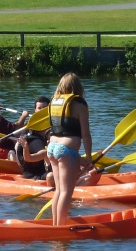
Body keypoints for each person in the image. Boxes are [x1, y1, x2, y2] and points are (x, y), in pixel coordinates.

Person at [44, 72, 94, 226]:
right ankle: (60, 227)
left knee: (59, 190)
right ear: (78, 87)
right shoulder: (79, 105)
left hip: (52, 148)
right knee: (66, 192)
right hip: (66, 150)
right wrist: (89, 159)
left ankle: (56, 225)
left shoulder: (53, 102)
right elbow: (86, 134)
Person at [10, 96, 50, 178]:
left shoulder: (53, 127)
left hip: (48, 162)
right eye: (39, 108)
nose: (41, 111)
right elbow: (18, 145)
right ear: (35, 110)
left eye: (44, 108)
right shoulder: (29, 129)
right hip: (33, 167)